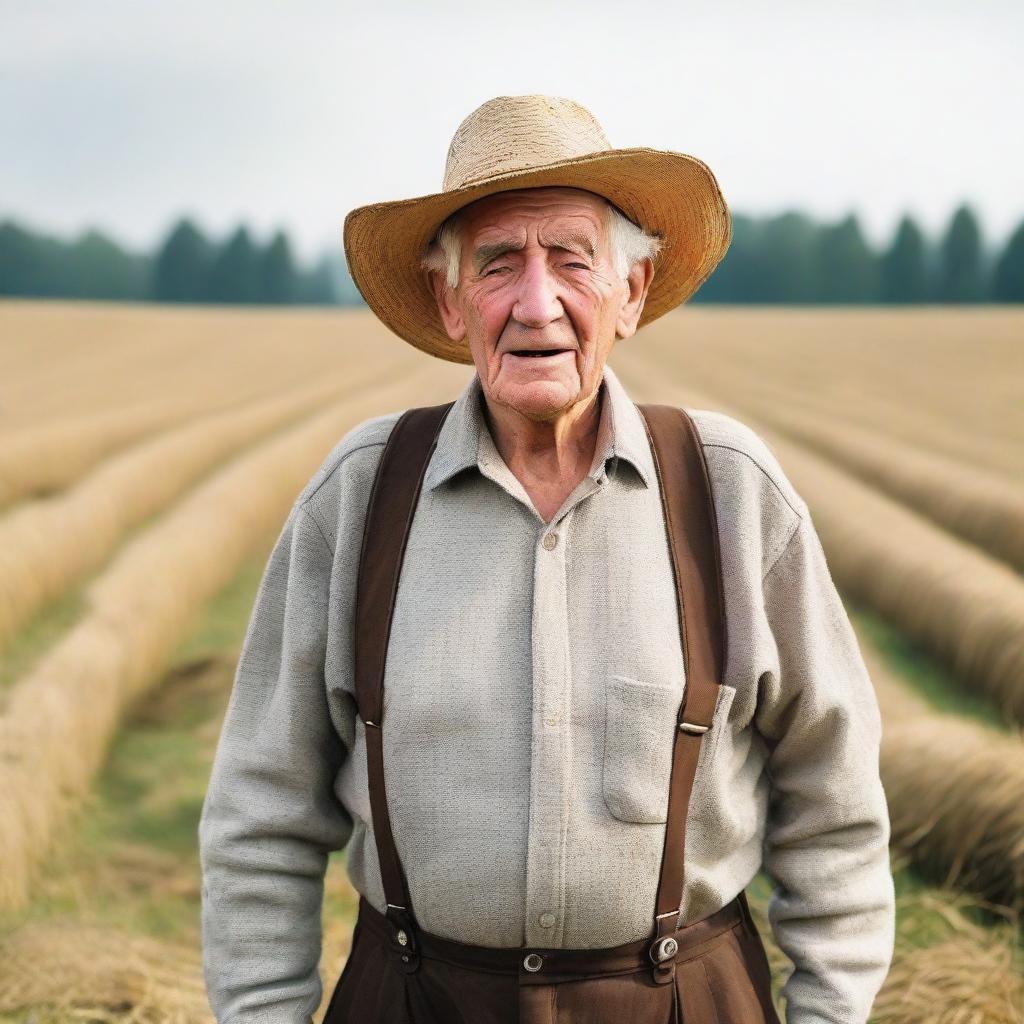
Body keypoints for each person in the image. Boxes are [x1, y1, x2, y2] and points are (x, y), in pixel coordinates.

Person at [199, 94, 895, 1024]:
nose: (538, 303)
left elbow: (833, 799)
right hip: (412, 1000)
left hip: (687, 1001)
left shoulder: (729, 489)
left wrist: (832, 1011)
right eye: (497, 264)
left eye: (572, 259)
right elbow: (260, 813)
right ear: (451, 302)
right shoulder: (362, 495)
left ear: (630, 294)